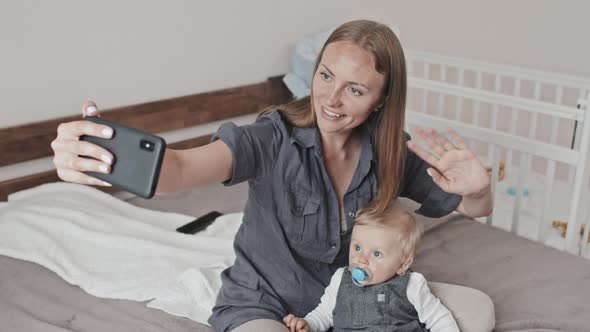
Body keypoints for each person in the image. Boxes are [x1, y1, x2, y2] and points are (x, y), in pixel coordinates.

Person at [50, 20, 493, 332]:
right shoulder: (271, 138)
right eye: (325, 76)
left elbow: (473, 208)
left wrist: (477, 191)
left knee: (477, 312)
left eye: (354, 90)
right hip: (266, 304)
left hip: (353, 299)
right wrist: (111, 159)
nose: (331, 99)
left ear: (380, 101)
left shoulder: (393, 149)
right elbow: (181, 168)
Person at [283, 204, 459, 332]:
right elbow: (325, 313)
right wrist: (308, 324)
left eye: (376, 254)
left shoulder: (411, 284)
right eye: (357, 248)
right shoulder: (340, 279)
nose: (362, 259)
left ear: (403, 264)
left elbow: (439, 319)